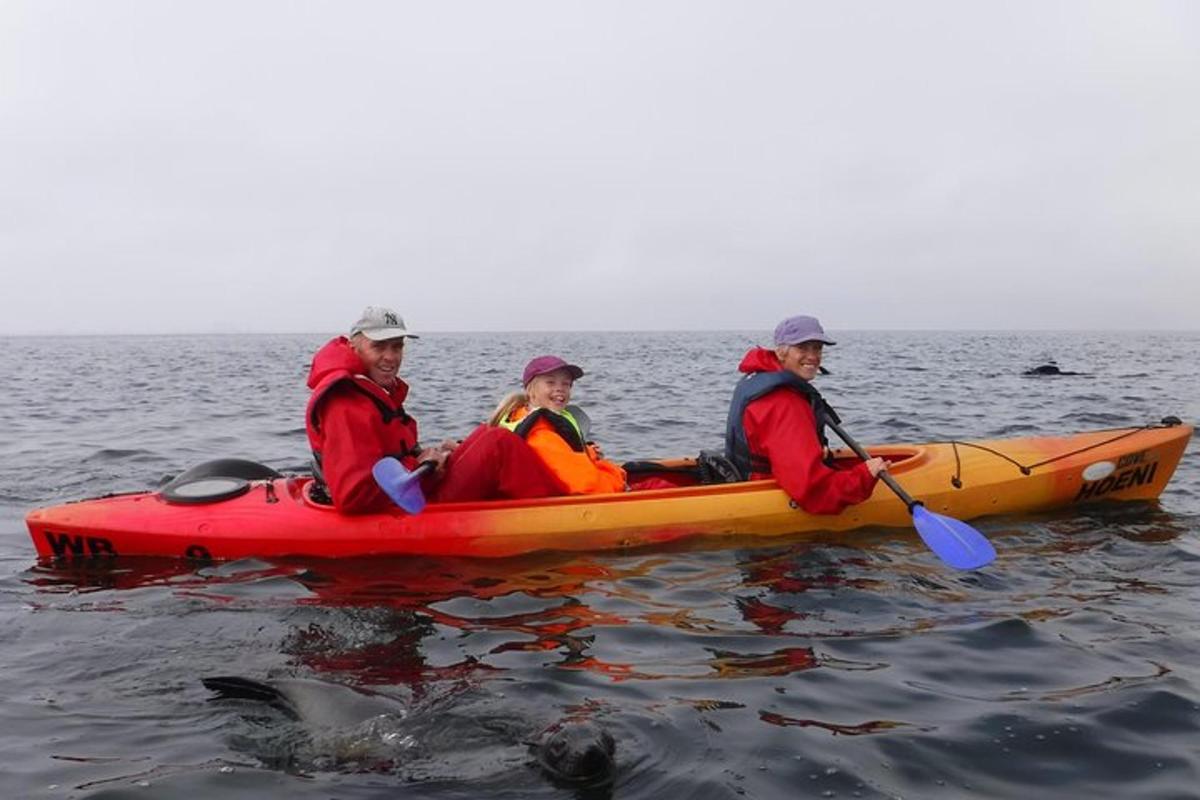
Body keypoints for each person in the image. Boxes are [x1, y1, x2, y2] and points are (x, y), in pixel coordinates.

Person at [305, 307, 565, 513]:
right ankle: (565, 509)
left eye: (397, 346)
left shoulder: (370, 389)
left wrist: (434, 457)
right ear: (354, 347)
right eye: (379, 346)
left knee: (485, 434)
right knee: (498, 443)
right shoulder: (346, 404)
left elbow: (389, 455)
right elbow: (354, 496)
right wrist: (421, 466)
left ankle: (559, 494)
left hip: (414, 490)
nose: (391, 356)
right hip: (408, 505)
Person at [724, 314, 886, 514]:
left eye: (817, 347)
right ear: (781, 352)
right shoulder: (784, 404)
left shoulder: (758, 377)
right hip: (768, 493)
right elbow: (814, 492)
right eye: (802, 347)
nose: (812, 356)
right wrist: (864, 476)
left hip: (746, 479)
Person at [487, 355, 627, 495]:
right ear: (530, 390)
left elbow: (559, 457)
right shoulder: (540, 433)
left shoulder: (518, 414)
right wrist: (617, 473)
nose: (560, 389)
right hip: (550, 505)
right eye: (551, 382)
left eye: (566, 384)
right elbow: (591, 488)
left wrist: (588, 452)